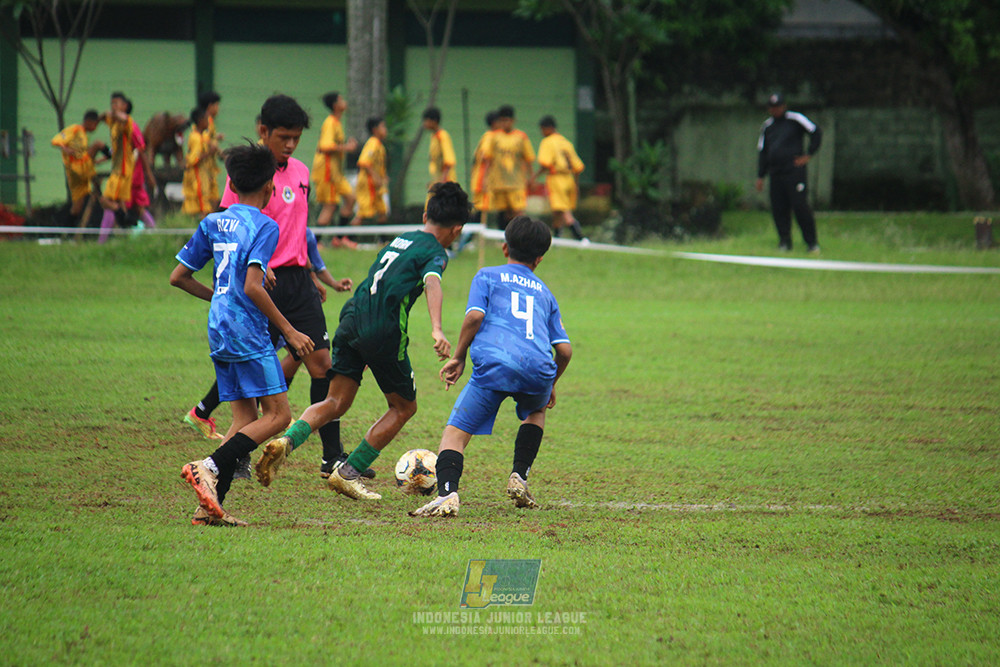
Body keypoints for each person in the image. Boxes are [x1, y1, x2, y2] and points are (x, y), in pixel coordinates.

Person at [254, 181, 471, 500]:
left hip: (352, 318)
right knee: (403, 407)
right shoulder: (436, 252)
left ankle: (287, 441)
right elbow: (432, 283)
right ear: (457, 229)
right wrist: (437, 329)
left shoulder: (403, 238)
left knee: (335, 402)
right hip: (383, 329)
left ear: (426, 214)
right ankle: (348, 473)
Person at [183, 94, 352, 479]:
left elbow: (300, 230)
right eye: (283, 137)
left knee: (322, 364)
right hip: (260, 281)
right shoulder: (247, 175)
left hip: (298, 280)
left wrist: (311, 274)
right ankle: (227, 446)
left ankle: (331, 457)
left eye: (296, 138)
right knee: (259, 368)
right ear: (264, 132)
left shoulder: (303, 173)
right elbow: (231, 228)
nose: (290, 145)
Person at [172, 142, 314, 527]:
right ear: (270, 187)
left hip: (219, 328)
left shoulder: (212, 221)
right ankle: (208, 465)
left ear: (231, 184)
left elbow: (179, 277)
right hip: (248, 331)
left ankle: (208, 508)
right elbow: (252, 286)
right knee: (280, 415)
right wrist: (289, 330)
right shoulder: (267, 225)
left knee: (243, 418)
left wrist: (220, 297)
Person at [411, 216, 572, 517]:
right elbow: (564, 350)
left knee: (455, 433)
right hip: (538, 368)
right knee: (536, 411)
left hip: (495, 365)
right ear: (539, 259)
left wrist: (458, 356)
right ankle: (519, 475)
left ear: (504, 247)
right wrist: (551, 383)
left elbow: (474, 317)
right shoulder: (546, 293)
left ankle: (447, 494)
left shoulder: (487, 275)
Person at [755, 92, 822, 253]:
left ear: (784, 106)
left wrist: (808, 154)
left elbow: (816, 132)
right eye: (772, 107)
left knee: (800, 205)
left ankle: (812, 243)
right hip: (776, 173)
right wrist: (760, 175)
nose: (775, 110)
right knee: (779, 207)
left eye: (778, 107)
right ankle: (784, 242)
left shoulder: (795, 119)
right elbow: (763, 152)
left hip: (794, 171)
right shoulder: (767, 126)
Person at [312, 91, 358, 248]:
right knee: (330, 205)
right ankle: (316, 243)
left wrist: (345, 146)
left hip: (336, 172)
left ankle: (339, 238)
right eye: (341, 100)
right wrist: (347, 147)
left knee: (351, 199)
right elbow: (325, 147)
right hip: (326, 171)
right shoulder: (330, 123)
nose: (344, 102)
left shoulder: (337, 123)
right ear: (335, 105)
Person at [531, 115, 587, 241]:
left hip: (556, 179)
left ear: (548, 128)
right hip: (569, 179)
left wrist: (534, 177)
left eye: (542, 130)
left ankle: (581, 238)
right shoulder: (566, 143)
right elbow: (578, 167)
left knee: (564, 211)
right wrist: (576, 185)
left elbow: (545, 164)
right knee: (557, 211)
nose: (542, 133)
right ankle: (557, 239)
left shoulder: (548, 141)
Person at [50, 110, 108, 224]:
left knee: (77, 207)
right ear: (88, 122)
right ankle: (112, 153)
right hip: (77, 168)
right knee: (98, 144)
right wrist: (65, 149)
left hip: (78, 173)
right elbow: (56, 140)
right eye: (95, 124)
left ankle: (67, 231)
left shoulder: (84, 135)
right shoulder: (76, 129)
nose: (95, 128)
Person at [482, 105, 534, 230]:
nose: (505, 123)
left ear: (513, 121)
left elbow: (528, 159)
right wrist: (485, 178)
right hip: (498, 182)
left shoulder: (521, 137)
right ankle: (505, 238)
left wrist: (531, 178)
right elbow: (488, 159)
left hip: (516, 182)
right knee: (503, 213)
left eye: (507, 120)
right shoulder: (494, 137)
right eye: (502, 120)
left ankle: (524, 234)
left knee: (518, 211)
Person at [97, 92, 137, 243]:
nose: (113, 106)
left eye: (117, 103)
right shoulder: (113, 121)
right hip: (118, 169)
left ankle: (127, 220)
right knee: (120, 203)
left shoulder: (126, 121)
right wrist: (102, 117)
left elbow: (124, 118)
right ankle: (128, 236)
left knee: (105, 200)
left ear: (125, 106)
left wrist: (114, 113)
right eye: (112, 103)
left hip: (122, 170)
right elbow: (102, 117)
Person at [349, 116, 389, 238]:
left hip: (376, 185)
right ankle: (346, 238)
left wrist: (383, 177)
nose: (385, 130)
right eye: (383, 127)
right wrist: (375, 177)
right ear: (375, 129)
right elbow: (364, 162)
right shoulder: (372, 143)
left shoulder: (380, 146)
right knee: (362, 213)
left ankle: (383, 240)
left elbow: (378, 165)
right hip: (367, 183)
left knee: (382, 211)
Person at [125, 98, 158, 231]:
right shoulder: (116, 127)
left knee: (134, 206)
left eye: (116, 104)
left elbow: (141, 150)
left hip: (133, 176)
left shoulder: (132, 127)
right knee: (115, 204)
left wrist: (149, 175)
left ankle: (154, 231)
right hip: (123, 175)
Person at [181, 107, 215, 217]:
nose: (208, 123)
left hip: (203, 175)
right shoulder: (196, 138)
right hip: (197, 176)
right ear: (200, 121)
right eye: (206, 119)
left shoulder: (201, 136)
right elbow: (193, 159)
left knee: (206, 202)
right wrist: (209, 153)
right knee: (201, 204)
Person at [198, 90, 224, 205]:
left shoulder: (209, 121)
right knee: (207, 196)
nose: (218, 108)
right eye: (216, 105)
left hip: (209, 164)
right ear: (210, 106)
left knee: (212, 195)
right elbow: (206, 139)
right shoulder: (206, 121)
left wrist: (216, 138)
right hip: (205, 164)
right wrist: (220, 152)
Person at [422, 107, 456, 185]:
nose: (424, 124)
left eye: (426, 121)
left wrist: (443, 183)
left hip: (446, 182)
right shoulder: (433, 137)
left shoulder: (442, 136)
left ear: (434, 121)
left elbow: (449, 161)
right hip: (438, 180)